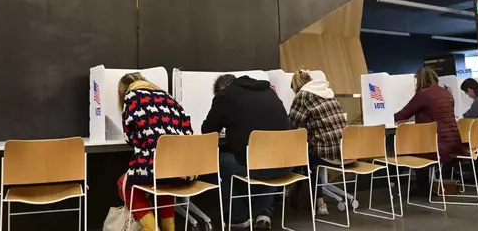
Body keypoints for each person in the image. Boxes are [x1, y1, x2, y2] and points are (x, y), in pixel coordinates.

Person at [202, 74, 292, 229]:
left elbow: (208, 131)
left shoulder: (225, 95)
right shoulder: (269, 91)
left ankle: (238, 217)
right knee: (265, 159)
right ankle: (263, 213)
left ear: (221, 90)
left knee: (221, 161)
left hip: (257, 165)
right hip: (284, 162)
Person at [118, 72, 194, 231]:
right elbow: (189, 130)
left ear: (123, 91)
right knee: (164, 182)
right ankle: (169, 227)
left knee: (126, 183)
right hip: (183, 171)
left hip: (156, 170)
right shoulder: (169, 98)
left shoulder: (132, 97)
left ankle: (152, 228)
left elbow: (129, 137)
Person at [394, 67, 464, 192]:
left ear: (419, 80)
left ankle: (423, 188)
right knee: (419, 147)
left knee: (412, 150)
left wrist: (386, 117)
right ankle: (429, 186)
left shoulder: (423, 94)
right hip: (454, 144)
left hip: (437, 145)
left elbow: (403, 114)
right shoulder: (446, 92)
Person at [288, 69, 347, 216]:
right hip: (346, 151)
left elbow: (291, 125)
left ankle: (319, 203)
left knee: (305, 158)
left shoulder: (303, 96)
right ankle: (317, 202)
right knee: (310, 154)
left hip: (325, 152)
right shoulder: (327, 92)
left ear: (296, 87)